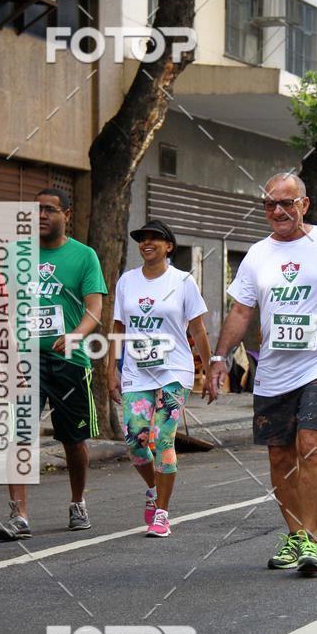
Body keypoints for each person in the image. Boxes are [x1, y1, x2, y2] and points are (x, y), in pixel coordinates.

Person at [207, 173, 317, 575]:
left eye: (286, 203)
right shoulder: (257, 254)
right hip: (275, 368)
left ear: (305, 204)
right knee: (280, 452)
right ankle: (295, 535)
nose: (278, 211)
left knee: (310, 442)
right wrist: (218, 358)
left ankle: (311, 541)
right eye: (270, 204)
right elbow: (242, 312)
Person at [0, 189, 107, 540]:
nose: (40, 216)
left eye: (48, 210)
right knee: (19, 434)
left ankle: (77, 503)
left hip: (70, 361)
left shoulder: (84, 256)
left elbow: (94, 309)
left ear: (66, 214)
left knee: (73, 439)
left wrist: (76, 334)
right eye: (35, 210)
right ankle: (19, 515)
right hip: (25, 361)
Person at [108, 219, 211, 538]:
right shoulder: (127, 281)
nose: (147, 243)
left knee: (163, 437)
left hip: (174, 371)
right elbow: (118, 328)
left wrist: (209, 369)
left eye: (155, 238)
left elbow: (197, 329)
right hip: (136, 372)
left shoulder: (182, 282)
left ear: (169, 246)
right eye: (142, 239)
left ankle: (162, 513)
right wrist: (111, 368)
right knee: (135, 441)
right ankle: (153, 490)